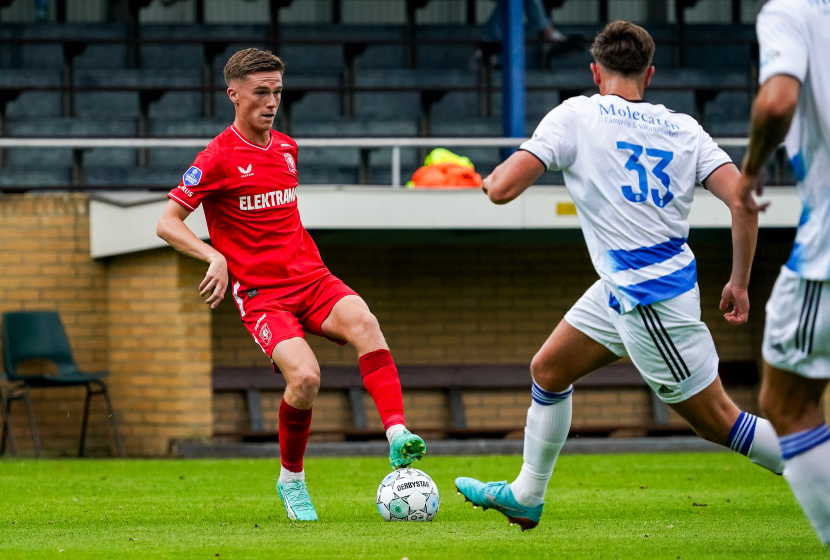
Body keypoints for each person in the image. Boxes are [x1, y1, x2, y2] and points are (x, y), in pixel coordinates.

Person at [454, 20, 784, 531]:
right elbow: (744, 201)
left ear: (594, 71)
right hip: (624, 288)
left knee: (719, 421)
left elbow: (501, 190)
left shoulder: (576, 115)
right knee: (548, 369)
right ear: (649, 75)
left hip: (648, 298)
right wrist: (739, 280)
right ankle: (525, 494)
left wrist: (487, 178)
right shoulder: (684, 127)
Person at [155, 48, 425, 522]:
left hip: (312, 278)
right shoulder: (216, 157)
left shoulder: (285, 147)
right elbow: (167, 221)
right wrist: (213, 255)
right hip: (262, 295)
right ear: (233, 94)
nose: (271, 101)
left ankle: (397, 434)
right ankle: (292, 479)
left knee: (364, 321)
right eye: (261, 92)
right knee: (305, 379)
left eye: (277, 91)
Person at [738, 0, 830, 548]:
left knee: (787, 403)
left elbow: (776, 103)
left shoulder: (791, 11)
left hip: (825, 254)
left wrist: (752, 169)